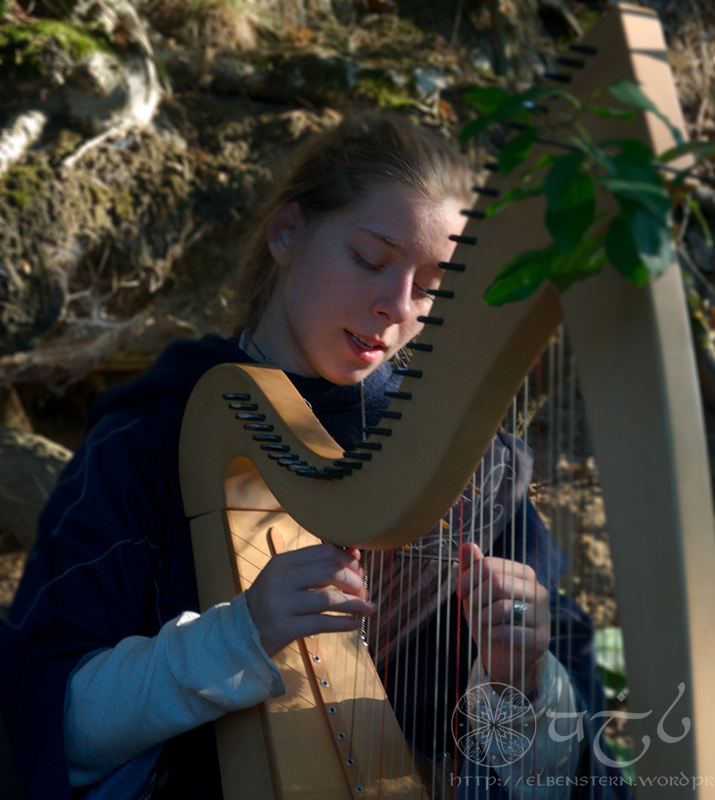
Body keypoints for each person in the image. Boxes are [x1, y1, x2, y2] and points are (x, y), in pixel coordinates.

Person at [0, 113, 618, 800]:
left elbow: (575, 774)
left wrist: (522, 685)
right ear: (287, 232)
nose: (397, 306)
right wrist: (236, 638)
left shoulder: (470, 473)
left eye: (430, 286)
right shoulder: (148, 440)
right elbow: (43, 728)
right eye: (370, 260)